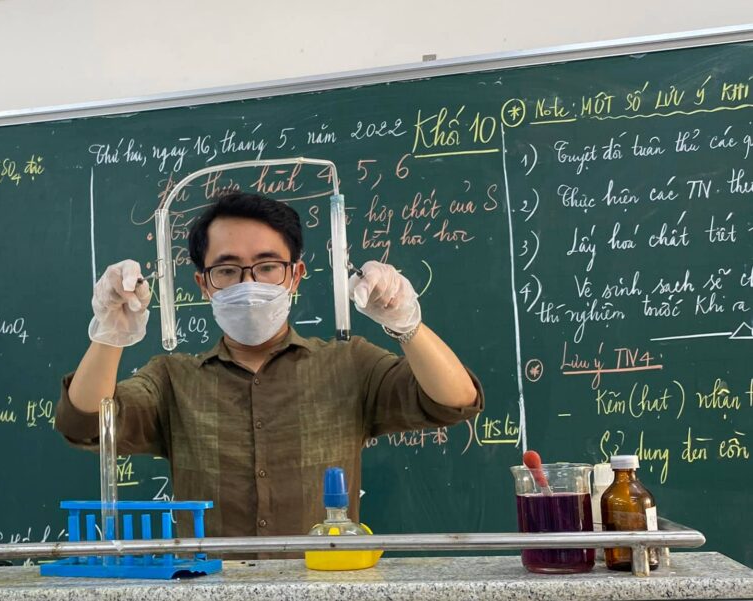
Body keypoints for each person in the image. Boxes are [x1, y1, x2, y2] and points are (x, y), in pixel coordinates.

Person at [56, 191, 483, 543]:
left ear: (295, 275)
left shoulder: (349, 364)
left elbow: (455, 401)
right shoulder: (173, 379)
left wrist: (407, 324)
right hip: (209, 590)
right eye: (227, 270)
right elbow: (84, 423)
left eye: (267, 266)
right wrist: (109, 336)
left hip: (324, 586)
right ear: (203, 283)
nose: (249, 283)